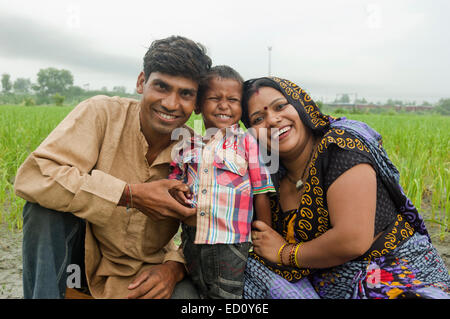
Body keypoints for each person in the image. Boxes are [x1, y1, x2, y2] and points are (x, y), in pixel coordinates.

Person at [13, 35, 212, 299]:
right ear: (142, 82)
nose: (171, 104)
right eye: (161, 87)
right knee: (43, 212)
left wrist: (174, 268)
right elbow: (34, 177)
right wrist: (128, 194)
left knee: (187, 297)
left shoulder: (198, 153)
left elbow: (210, 224)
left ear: (197, 103)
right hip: (83, 257)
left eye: (185, 94)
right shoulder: (102, 114)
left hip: (144, 272)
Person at [240, 76, 450, 299]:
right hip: (326, 287)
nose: (272, 120)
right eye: (258, 119)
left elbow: (352, 241)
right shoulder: (268, 177)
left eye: (280, 106)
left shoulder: (340, 145)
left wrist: (284, 253)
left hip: (392, 275)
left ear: (300, 104)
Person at [167, 66, 275, 298]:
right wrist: (176, 188)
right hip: (192, 239)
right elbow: (174, 179)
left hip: (232, 244)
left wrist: (263, 238)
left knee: (227, 294)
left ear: (241, 107)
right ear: (198, 105)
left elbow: (261, 191)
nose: (224, 105)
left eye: (233, 100)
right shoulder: (187, 144)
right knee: (198, 288)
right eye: (214, 98)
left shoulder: (247, 143)